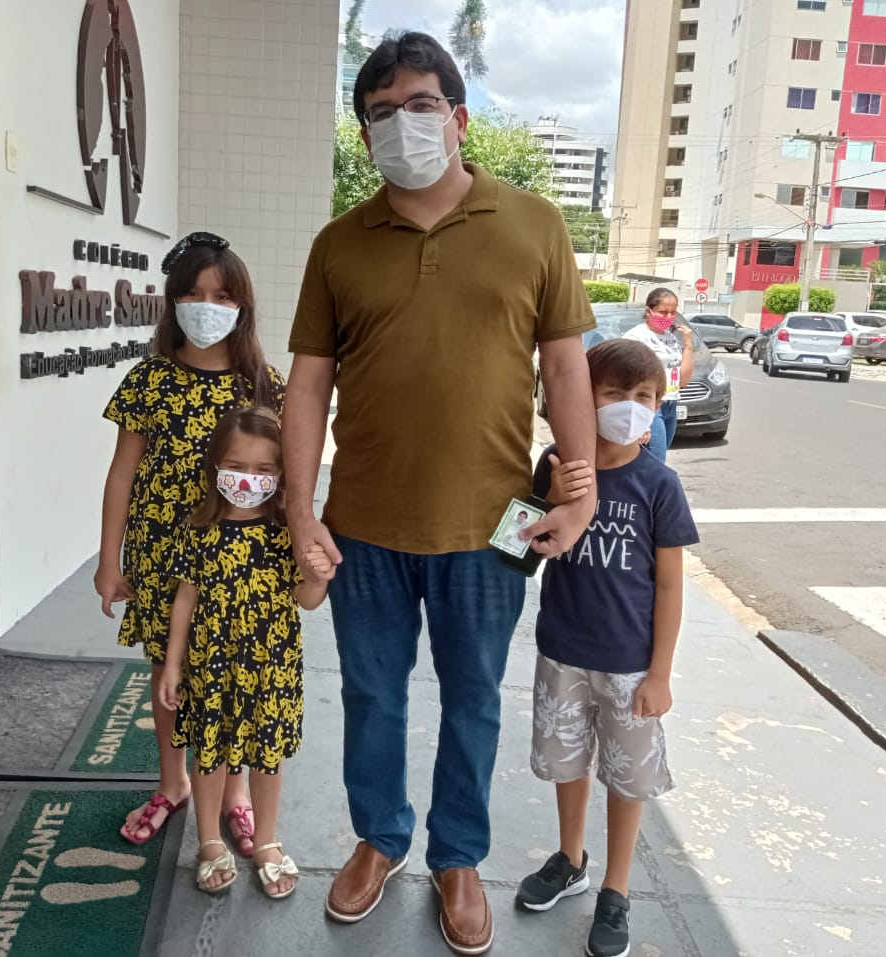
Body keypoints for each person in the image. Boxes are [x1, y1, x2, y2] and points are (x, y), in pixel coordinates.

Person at [283, 31, 598, 956]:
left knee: (475, 699)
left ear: (458, 118)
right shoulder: (340, 243)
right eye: (379, 112)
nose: (400, 124)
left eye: (419, 105)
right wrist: (302, 510)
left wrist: (576, 495)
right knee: (374, 697)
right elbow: (307, 384)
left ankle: (458, 856)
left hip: (496, 524)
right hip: (365, 526)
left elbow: (567, 366)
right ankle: (379, 838)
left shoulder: (534, 224)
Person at [96, 232, 283, 849]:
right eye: (194, 294)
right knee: (168, 670)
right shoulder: (149, 380)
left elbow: (287, 474)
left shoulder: (263, 383)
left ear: (242, 305)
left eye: (222, 295)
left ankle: (232, 790)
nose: (208, 306)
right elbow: (122, 474)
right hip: (160, 553)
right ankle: (172, 781)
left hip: (239, 562)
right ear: (174, 302)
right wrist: (108, 560)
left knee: (231, 672)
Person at [516, 338, 699, 957]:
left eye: (644, 396)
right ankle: (570, 859)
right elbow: (515, 544)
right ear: (583, 399)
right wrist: (550, 492)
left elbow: (670, 585)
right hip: (562, 652)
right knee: (567, 766)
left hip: (630, 666)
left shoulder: (659, 484)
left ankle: (615, 889)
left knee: (627, 778)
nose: (629, 406)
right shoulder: (559, 464)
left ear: (658, 405)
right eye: (613, 393)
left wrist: (661, 674)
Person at [156, 407, 330, 898]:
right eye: (236, 467)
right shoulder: (201, 530)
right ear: (215, 468)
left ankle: (268, 841)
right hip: (211, 666)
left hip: (270, 669)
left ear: (282, 475)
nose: (248, 480)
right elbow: (184, 601)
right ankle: (209, 841)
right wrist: (172, 664)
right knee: (208, 754)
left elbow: (306, 599)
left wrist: (317, 575)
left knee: (267, 757)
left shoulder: (286, 536)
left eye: (263, 471)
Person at [622, 288, 693, 463]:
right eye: (663, 312)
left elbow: (683, 380)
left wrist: (688, 344)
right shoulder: (636, 337)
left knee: (653, 463)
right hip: (650, 407)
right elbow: (629, 380)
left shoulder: (671, 338)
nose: (669, 317)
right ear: (649, 311)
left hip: (671, 404)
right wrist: (642, 422)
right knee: (656, 464)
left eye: (673, 312)